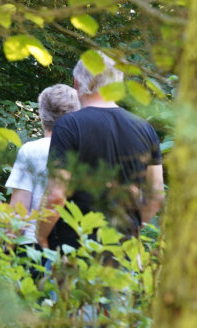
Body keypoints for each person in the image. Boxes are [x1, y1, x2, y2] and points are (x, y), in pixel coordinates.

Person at [36, 55, 164, 252]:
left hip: (73, 250)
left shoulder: (69, 125)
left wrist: (41, 235)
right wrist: (134, 229)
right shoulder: (145, 129)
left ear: (77, 82)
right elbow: (155, 196)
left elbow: (56, 196)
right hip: (122, 253)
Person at [6, 84, 81, 246]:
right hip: (76, 246)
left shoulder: (30, 151)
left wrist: (7, 249)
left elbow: (18, 211)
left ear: (42, 115)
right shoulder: (85, 149)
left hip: (32, 244)